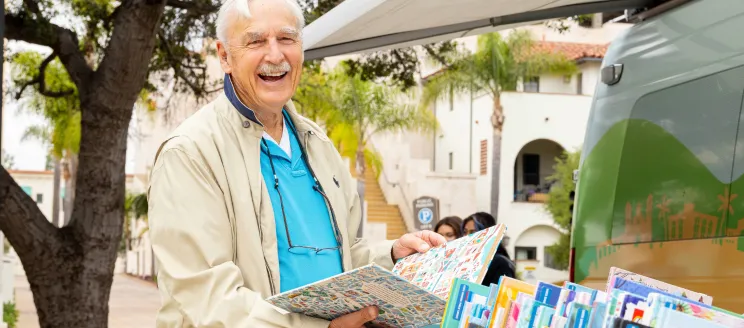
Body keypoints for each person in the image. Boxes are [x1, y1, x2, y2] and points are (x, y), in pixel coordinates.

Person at [146, 0, 446, 326]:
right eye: (256, 41)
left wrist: (390, 257)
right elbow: (206, 300)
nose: (275, 56)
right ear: (224, 56)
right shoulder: (191, 153)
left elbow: (342, 257)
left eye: (287, 39)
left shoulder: (318, 145)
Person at [462, 212, 516, 286]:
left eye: (473, 232)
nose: (467, 236)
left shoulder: (500, 263)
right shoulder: (465, 260)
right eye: (465, 232)